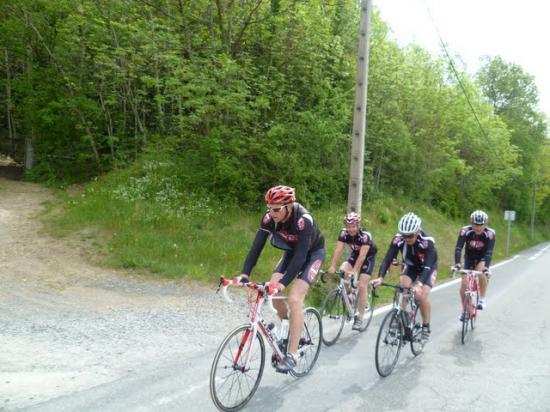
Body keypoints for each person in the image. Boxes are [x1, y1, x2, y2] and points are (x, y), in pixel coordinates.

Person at [239, 185, 325, 373]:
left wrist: (282, 284)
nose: (272, 212)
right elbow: (256, 247)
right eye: (269, 207)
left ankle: (292, 355)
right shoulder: (270, 218)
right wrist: (245, 274)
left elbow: (301, 257)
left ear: (289, 205)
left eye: (276, 209)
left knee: (294, 298)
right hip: (290, 253)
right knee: (274, 295)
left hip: (311, 255)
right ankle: (287, 324)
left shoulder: (304, 220)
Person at [371, 212, 437, 342]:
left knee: (421, 295)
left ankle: (425, 326)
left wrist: (419, 285)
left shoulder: (427, 242)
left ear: (417, 231)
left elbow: (428, 267)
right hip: (411, 266)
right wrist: (380, 277)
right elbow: (388, 258)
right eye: (404, 235)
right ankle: (400, 317)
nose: (406, 238)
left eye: (410, 236)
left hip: (428, 268)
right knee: (402, 288)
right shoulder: (398, 239)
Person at [327, 212, 377, 330]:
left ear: (358, 225)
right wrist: (333, 265)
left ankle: (360, 317)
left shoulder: (365, 236)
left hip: (368, 257)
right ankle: (351, 295)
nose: (351, 229)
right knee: (342, 270)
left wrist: (354, 271)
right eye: (349, 226)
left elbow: (362, 256)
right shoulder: (343, 233)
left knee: (363, 285)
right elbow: (338, 250)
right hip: (355, 254)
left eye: (353, 226)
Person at [453, 210, 495, 314]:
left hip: (482, 258)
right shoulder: (465, 231)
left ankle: (482, 299)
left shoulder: (490, 233)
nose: (478, 227)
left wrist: (487, 267)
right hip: (469, 258)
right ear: (471, 223)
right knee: (463, 286)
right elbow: (459, 247)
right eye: (475, 225)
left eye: (481, 225)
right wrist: (457, 263)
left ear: (485, 224)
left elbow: (489, 251)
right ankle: (465, 310)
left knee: (481, 273)